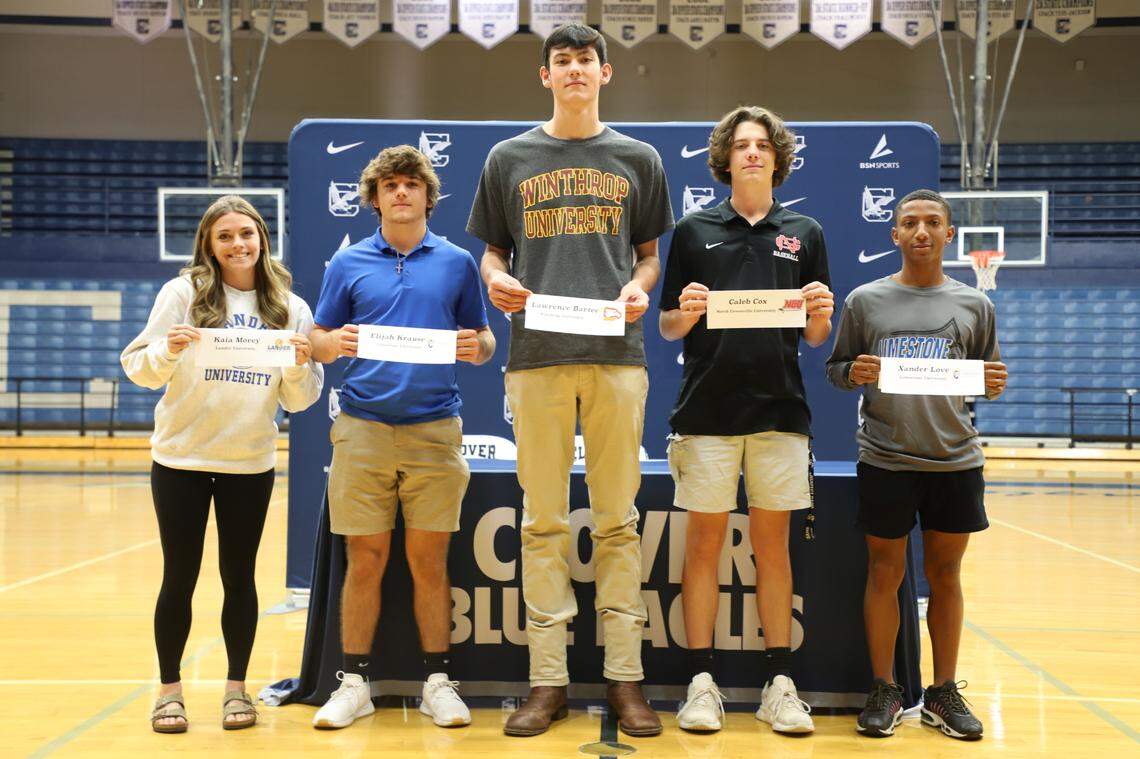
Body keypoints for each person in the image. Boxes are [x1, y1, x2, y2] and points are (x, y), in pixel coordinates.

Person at [466, 23, 674, 738]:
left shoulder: (638, 158)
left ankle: (625, 679)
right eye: (563, 61)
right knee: (543, 522)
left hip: (617, 358)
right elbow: (492, 254)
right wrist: (495, 280)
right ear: (546, 75)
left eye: (587, 60)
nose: (575, 69)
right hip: (537, 357)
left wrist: (641, 287)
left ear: (605, 73)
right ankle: (547, 680)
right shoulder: (509, 158)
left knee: (618, 520)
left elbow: (649, 256)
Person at [659, 106, 833, 735]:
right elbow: (667, 326)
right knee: (703, 547)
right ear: (725, 159)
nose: (752, 153)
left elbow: (815, 337)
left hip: (780, 412)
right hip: (707, 412)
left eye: (762, 145)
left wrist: (821, 312)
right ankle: (701, 683)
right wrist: (685, 311)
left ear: (777, 158)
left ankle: (778, 684)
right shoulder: (693, 230)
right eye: (741, 145)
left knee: (772, 549)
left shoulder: (805, 231)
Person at [308, 145, 494, 730]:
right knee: (364, 559)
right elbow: (317, 340)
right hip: (362, 429)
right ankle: (354, 683)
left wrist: (476, 347)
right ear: (374, 198)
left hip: (434, 429)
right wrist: (333, 343)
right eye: (389, 185)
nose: (401, 192)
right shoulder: (348, 262)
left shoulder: (458, 263)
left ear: (428, 196)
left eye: (411, 183)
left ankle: (438, 682)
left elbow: (485, 341)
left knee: (429, 561)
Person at [121, 195, 323, 733]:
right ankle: (169, 692)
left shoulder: (290, 306)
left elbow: (301, 399)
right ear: (209, 245)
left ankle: (237, 690)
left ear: (262, 239)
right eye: (225, 236)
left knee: (240, 577)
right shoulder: (183, 294)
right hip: (181, 459)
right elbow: (138, 369)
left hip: (248, 463)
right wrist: (167, 350)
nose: (238, 244)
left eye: (246, 234)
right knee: (179, 576)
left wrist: (298, 366)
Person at [825, 189, 1007, 740]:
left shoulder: (975, 305)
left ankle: (942, 692)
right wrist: (852, 372)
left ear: (949, 234)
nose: (921, 231)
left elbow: (987, 375)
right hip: (886, 458)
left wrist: (994, 382)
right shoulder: (865, 300)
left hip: (955, 459)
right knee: (885, 573)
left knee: (946, 575)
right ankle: (885, 688)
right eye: (910, 223)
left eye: (932, 223)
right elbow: (837, 369)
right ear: (895, 234)